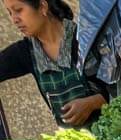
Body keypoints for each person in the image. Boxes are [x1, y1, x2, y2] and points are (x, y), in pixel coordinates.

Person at [0, 0, 106, 128]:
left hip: (113, 135)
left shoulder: (84, 39)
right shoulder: (26, 52)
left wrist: (92, 103)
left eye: (18, 10)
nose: (14, 19)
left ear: (43, 7)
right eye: (9, 13)